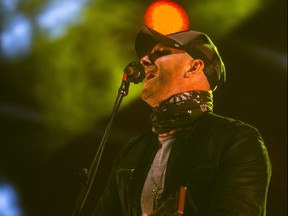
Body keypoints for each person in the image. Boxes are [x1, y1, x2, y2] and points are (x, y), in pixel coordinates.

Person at [94, 25, 272, 216]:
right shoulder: (132, 151)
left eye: (161, 52)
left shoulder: (236, 141)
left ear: (194, 67)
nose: (144, 59)